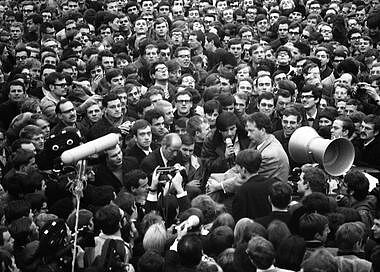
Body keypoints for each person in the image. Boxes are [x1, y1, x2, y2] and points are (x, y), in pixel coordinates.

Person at [232, 149, 277, 221]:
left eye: (238, 167)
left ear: (244, 170)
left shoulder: (242, 192)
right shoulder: (274, 183)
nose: (237, 170)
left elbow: (238, 220)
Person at [245, 112, 289, 183]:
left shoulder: (268, 155)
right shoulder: (256, 142)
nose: (248, 134)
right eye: (248, 131)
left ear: (262, 130)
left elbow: (247, 178)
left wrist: (221, 184)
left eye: (251, 131)